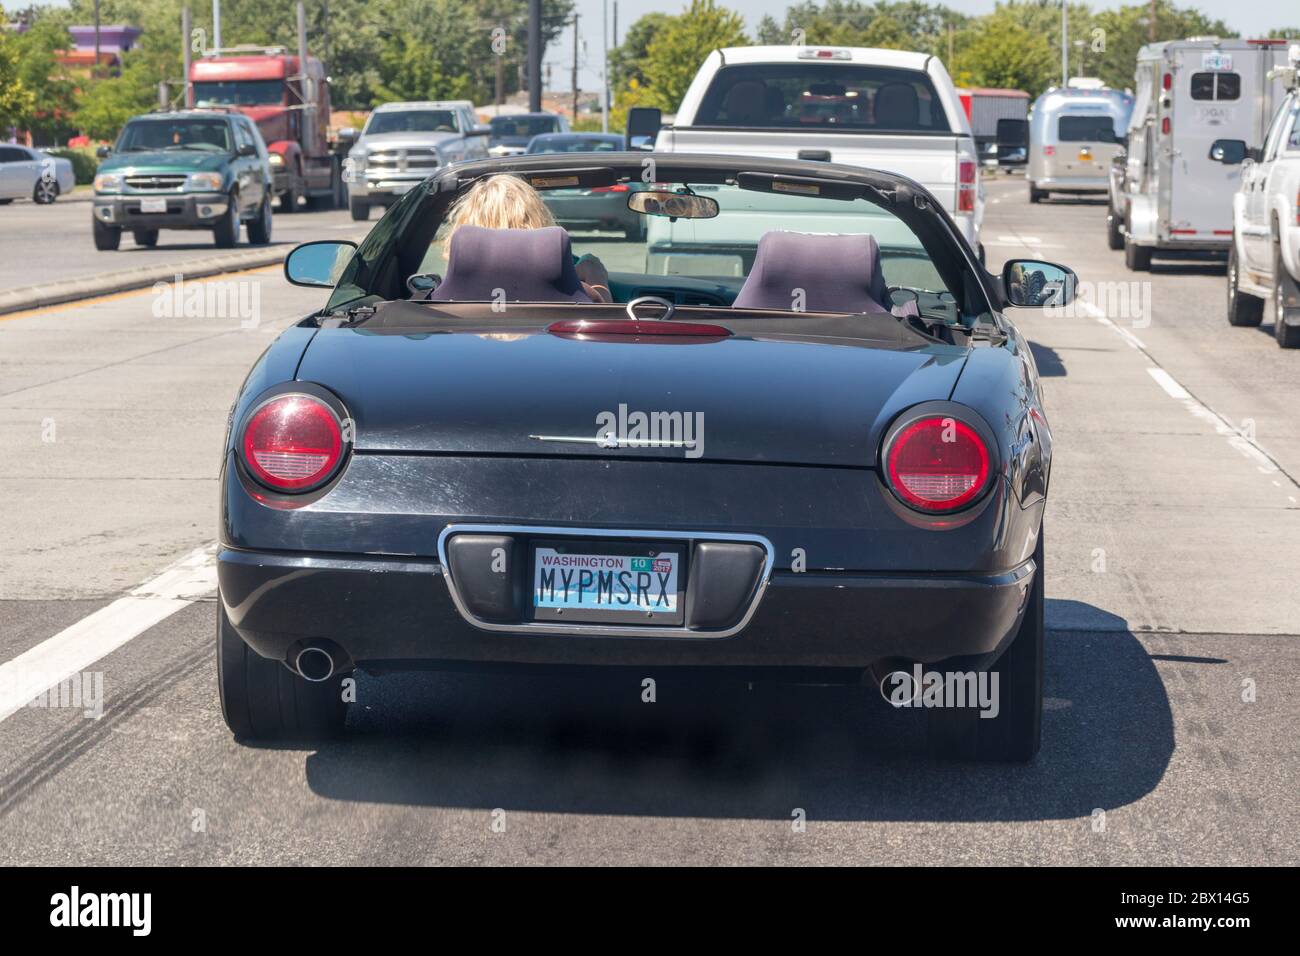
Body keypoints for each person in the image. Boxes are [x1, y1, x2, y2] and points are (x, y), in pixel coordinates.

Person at [443, 174, 612, 302]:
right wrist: (596, 278)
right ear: (537, 218)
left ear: (465, 223)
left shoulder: (441, 296)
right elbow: (603, 323)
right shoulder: (570, 291)